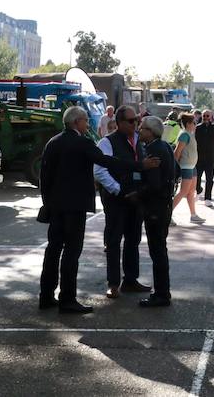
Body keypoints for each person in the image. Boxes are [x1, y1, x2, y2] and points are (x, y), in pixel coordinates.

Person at [38, 106, 140, 313]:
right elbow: (105, 161)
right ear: (77, 122)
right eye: (85, 120)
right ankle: (67, 298)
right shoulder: (82, 143)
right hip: (74, 207)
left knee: (53, 250)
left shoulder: (53, 142)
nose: (88, 124)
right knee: (71, 253)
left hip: (56, 206)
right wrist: (138, 166)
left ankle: (46, 295)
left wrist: (47, 202)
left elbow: (44, 176)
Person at [94, 105, 150, 299]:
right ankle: (113, 283)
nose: (136, 124)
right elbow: (100, 171)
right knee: (114, 240)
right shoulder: (106, 143)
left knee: (133, 240)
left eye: (136, 120)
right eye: (131, 121)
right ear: (119, 123)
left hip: (137, 198)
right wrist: (119, 191)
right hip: (116, 200)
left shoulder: (139, 141)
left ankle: (131, 280)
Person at [137, 116, 178, 307]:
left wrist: (137, 193)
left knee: (158, 251)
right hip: (164, 204)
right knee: (160, 249)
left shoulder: (153, 149)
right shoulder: (165, 146)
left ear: (151, 131)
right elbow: (175, 171)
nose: (139, 130)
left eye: (143, 128)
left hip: (155, 206)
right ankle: (162, 292)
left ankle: (161, 294)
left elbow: (153, 183)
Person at [169, 113, 205, 224]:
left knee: (191, 192)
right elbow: (177, 153)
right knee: (183, 191)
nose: (195, 124)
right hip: (185, 167)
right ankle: (167, 214)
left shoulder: (190, 134)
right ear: (188, 124)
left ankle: (193, 215)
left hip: (192, 166)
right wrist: (175, 168)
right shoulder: (184, 134)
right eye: (194, 122)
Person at [194, 111, 214, 201]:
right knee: (197, 177)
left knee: (209, 178)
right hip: (198, 157)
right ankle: (199, 190)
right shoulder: (197, 128)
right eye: (204, 116)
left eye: (207, 116)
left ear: (211, 117)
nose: (205, 117)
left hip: (210, 158)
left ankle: (208, 198)